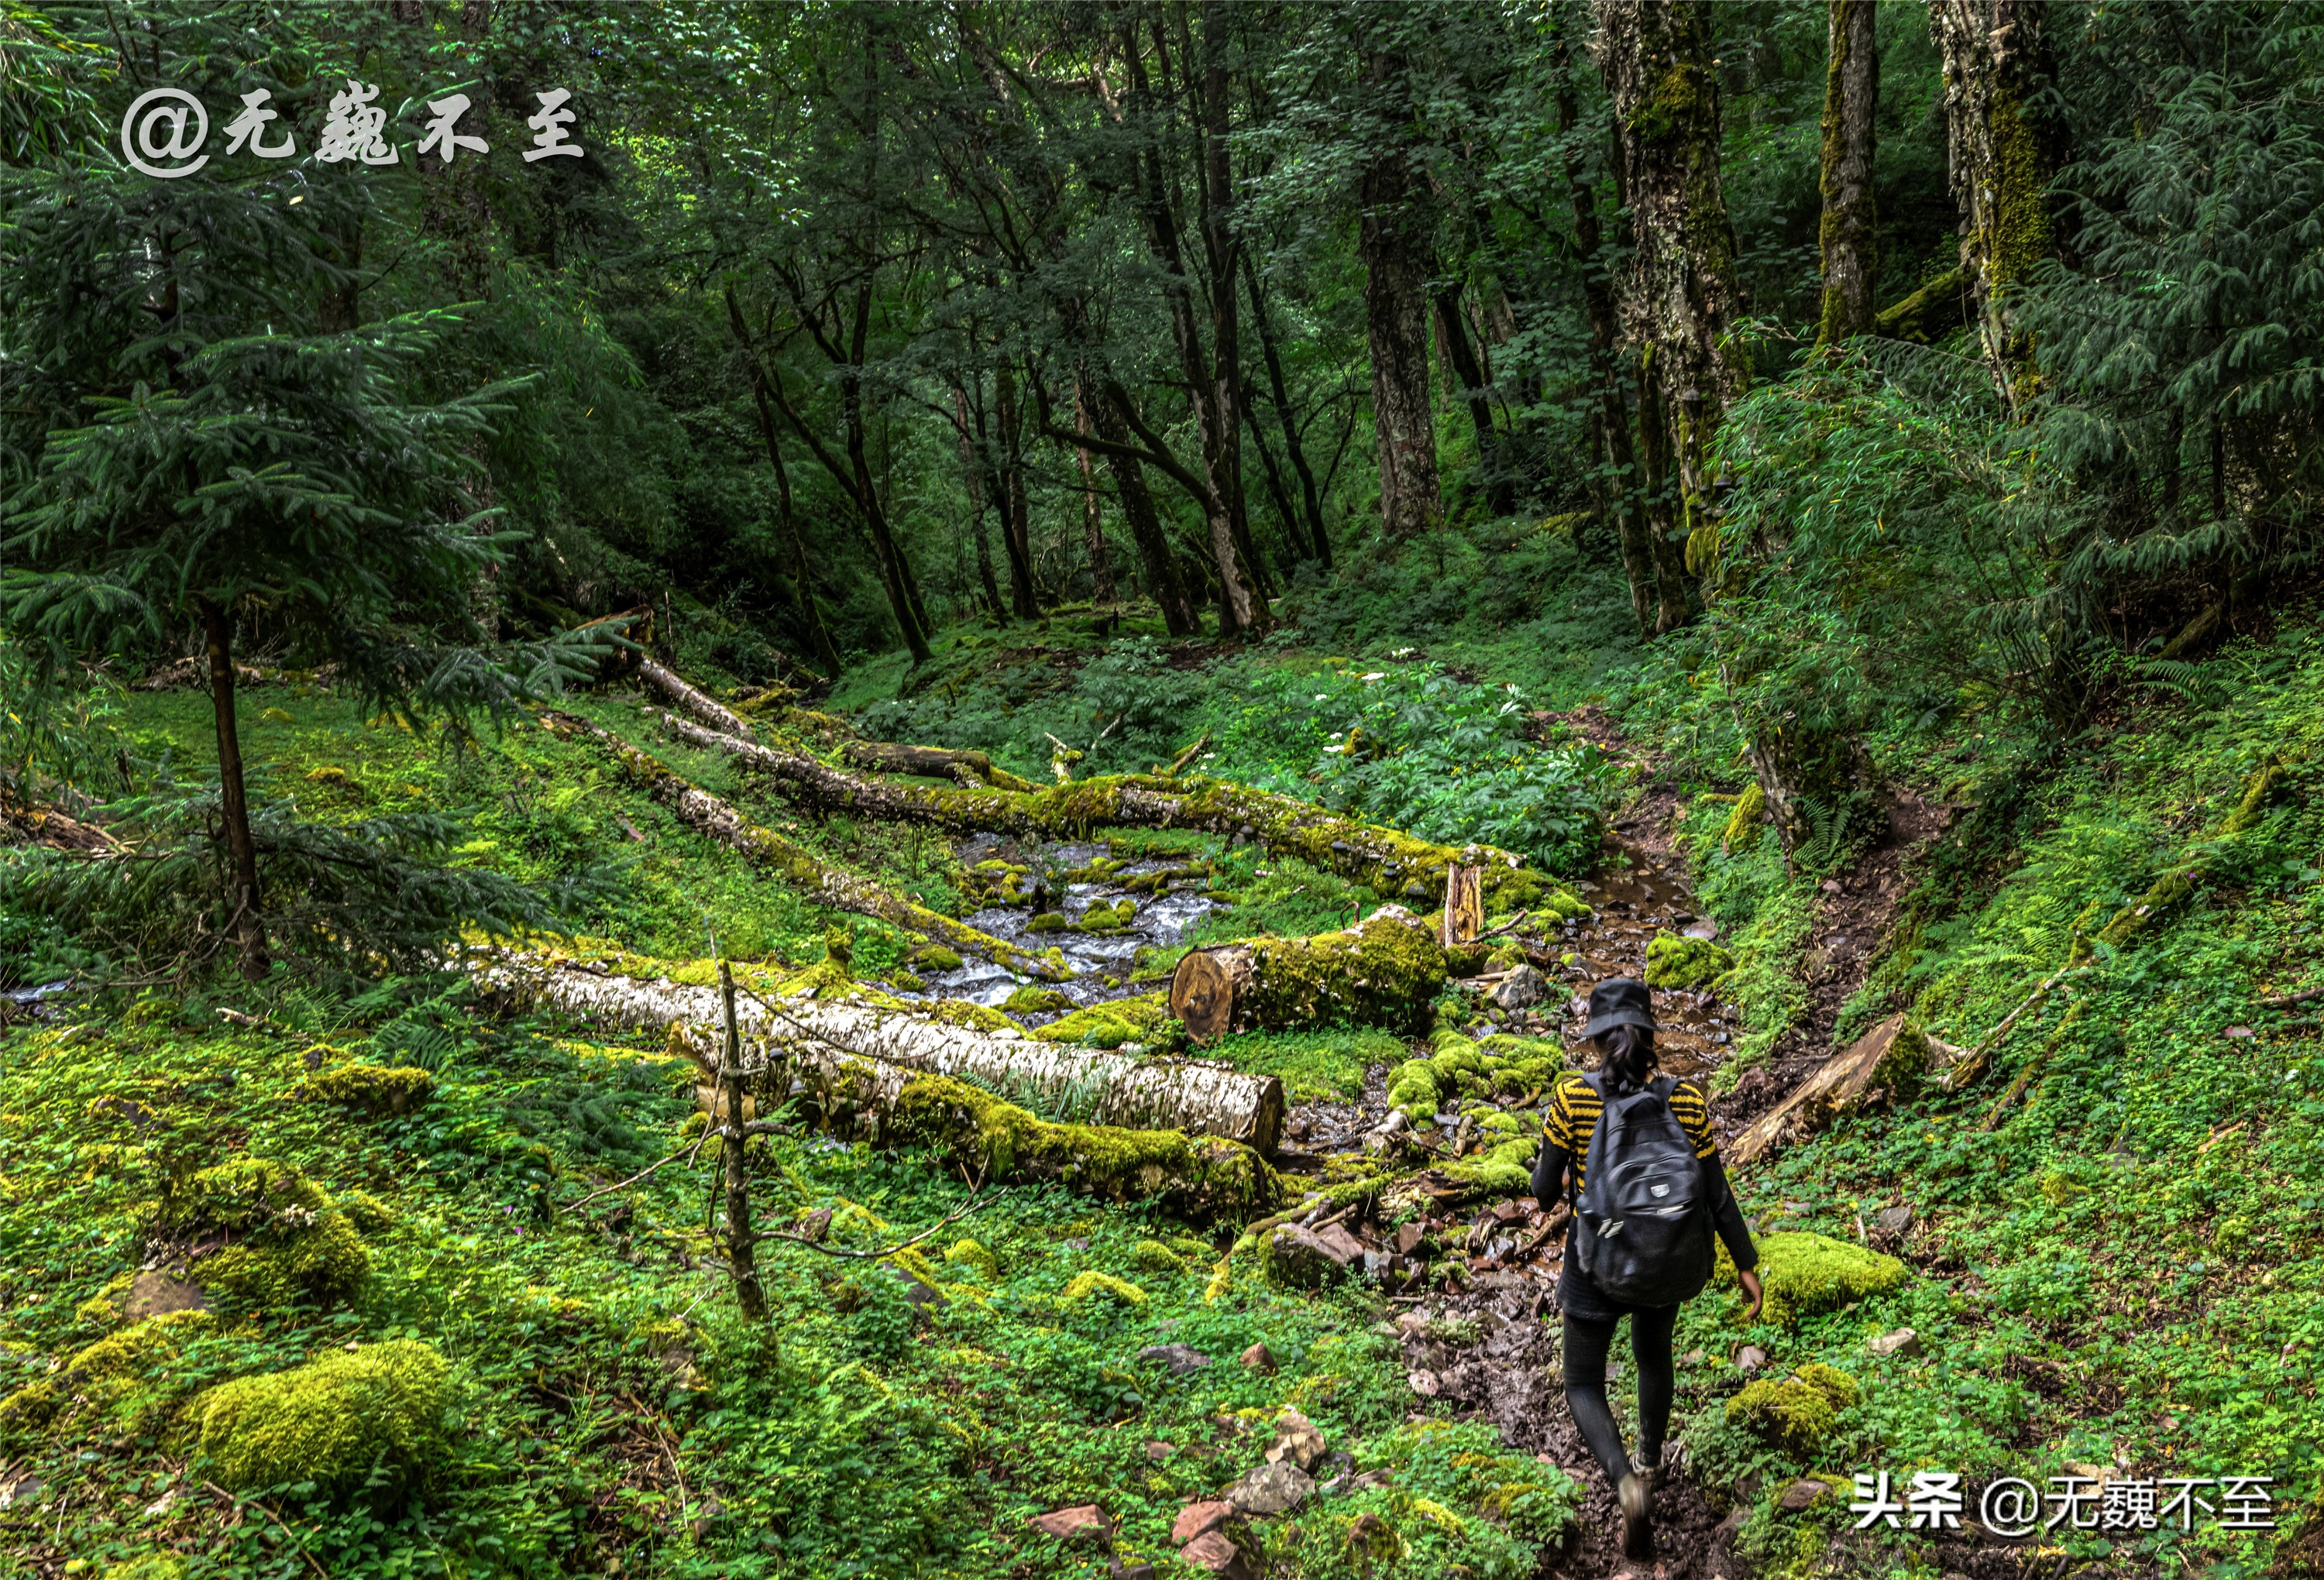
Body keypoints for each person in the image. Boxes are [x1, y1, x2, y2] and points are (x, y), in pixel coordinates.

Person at [1532, 977, 1762, 1573]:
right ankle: (1652, 1462)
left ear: (1597, 1039)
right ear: (1651, 1035)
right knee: (1653, 1357)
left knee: (1583, 1383)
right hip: (1665, 1258)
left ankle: (1624, 1480)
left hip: (1595, 1264)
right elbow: (1714, 1192)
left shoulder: (1573, 1098)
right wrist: (1745, 1262)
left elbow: (1540, 1192)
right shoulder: (1683, 1099)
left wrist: (1566, 1182)